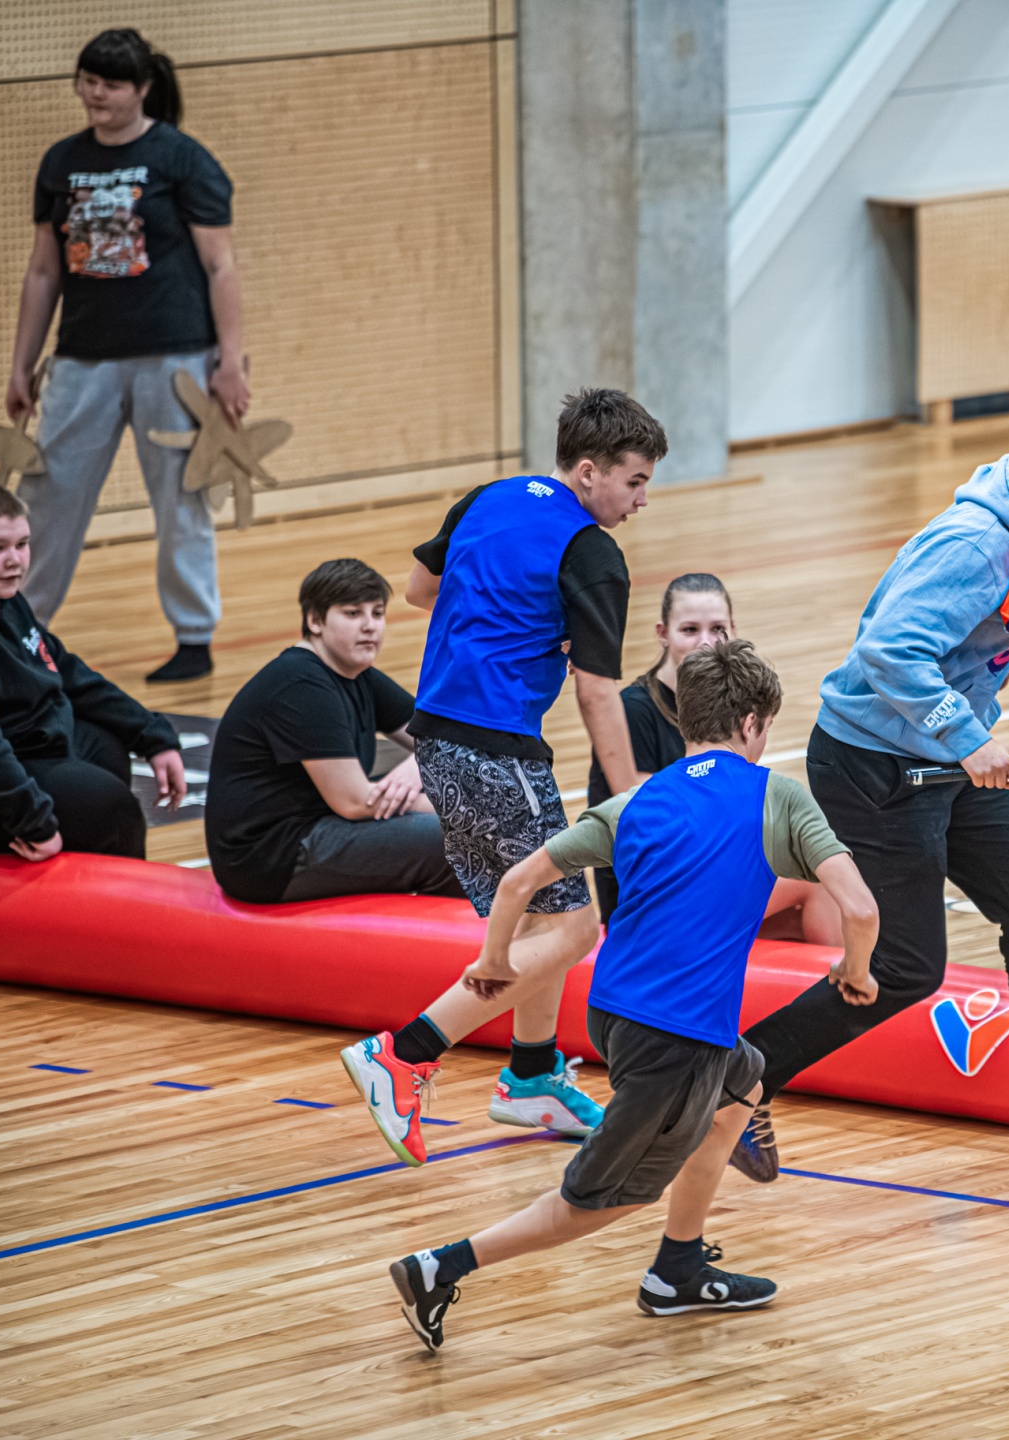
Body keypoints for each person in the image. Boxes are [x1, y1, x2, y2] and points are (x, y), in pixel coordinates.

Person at [385, 640, 879, 1349]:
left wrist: (494, 959)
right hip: (675, 1036)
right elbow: (859, 908)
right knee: (599, 1198)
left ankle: (679, 1266)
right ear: (751, 723)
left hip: (612, 1016)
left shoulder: (636, 800)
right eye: (765, 728)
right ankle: (441, 1267)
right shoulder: (777, 795)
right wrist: (856, 974)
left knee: (743, 1085)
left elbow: (520, 882)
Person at [729, 426, 1009, 1193]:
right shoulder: (978, 545)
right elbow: (887, 649)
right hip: (874, 765)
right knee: (907, 967)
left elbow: (950, 641)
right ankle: (738, 1079)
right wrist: (970, 736)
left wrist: (976, 680)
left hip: (936, 754)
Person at [336, 388, 666, 1163]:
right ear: (588, 471)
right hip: (497, 753)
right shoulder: (592, 554)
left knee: (545, 919)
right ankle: (405, 1053)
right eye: (634, 481)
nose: (641, 501)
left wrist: (504, 615)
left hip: (434, 742)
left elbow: (419, 590)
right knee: (577, 927)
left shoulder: (488, 497)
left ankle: (530, 1075)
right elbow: (596, 693)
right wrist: (629, 801)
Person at [9, 29, 247, 683]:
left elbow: (221, 265)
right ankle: (20, 626)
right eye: (87, 81)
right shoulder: (61, 162)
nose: (96, 94)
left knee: (181, 495)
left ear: (142, 88)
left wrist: (231, 362)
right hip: (81, 357)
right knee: (48, 492)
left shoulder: (182, 158)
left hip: (176, 357)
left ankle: (194, 635)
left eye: (110, 84)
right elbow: (43, 272)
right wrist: (21, 364)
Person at [0, 481, 186, 862]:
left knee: (104, 747)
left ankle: (74, 884)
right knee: (110, 810)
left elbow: (63, 670)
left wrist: (152, 735)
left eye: (22, 544)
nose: (15, 561)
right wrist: (34, 821)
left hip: (0, 747)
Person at [590, 571, 841, 944]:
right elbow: (642, 812)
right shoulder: (635, 710)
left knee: (801, 909)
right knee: (819, 879)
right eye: (690, 630)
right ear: (663, 633)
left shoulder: (730, 700)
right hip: (650, 897)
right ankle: (849, 981)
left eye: (718, 629)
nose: (705, 642)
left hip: (698, 874)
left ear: (733, 630)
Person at [205, 559, 459, 904]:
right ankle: (444, 938)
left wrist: (420, 766)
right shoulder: (300, 683)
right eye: (353, 614)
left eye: (377, 613)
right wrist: (458, 811)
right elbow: (353, 802)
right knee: (455, 837)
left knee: (460, 802)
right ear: (315, 621)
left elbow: (447, 740)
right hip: (268, 858)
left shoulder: (358, 675)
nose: (370, 626)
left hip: (319, 826)